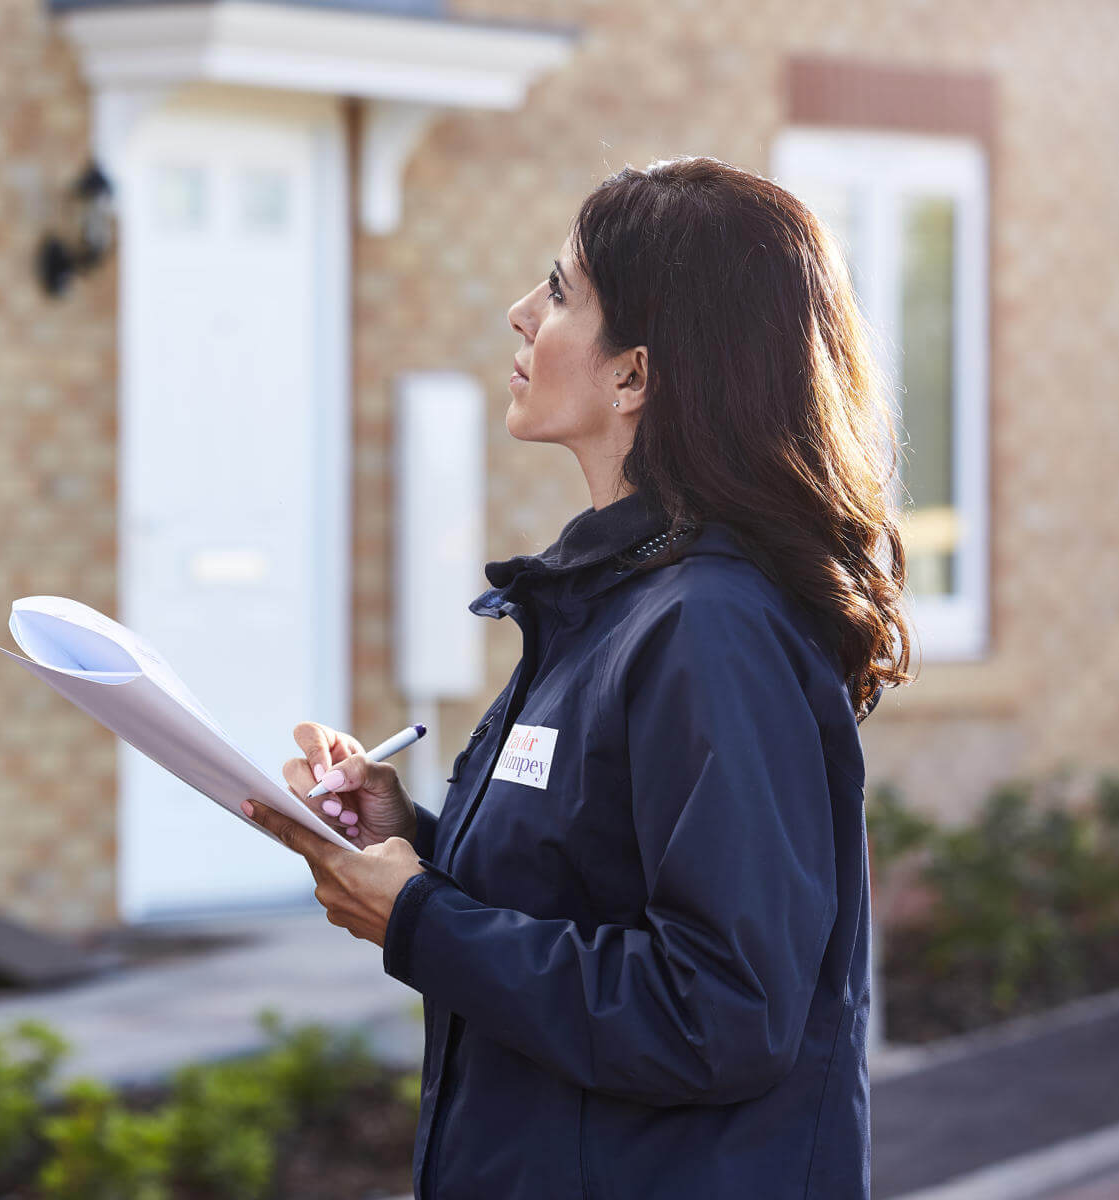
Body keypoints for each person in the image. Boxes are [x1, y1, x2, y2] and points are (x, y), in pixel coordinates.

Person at [240, 155, 915, 1199]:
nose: (520, 314)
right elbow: (581, 893)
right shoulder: (615, 604)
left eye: (559, 291)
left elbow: (721, 1011)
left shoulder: (710, 632)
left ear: (634, 374)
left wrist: (417, 918)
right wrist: (404, 840)